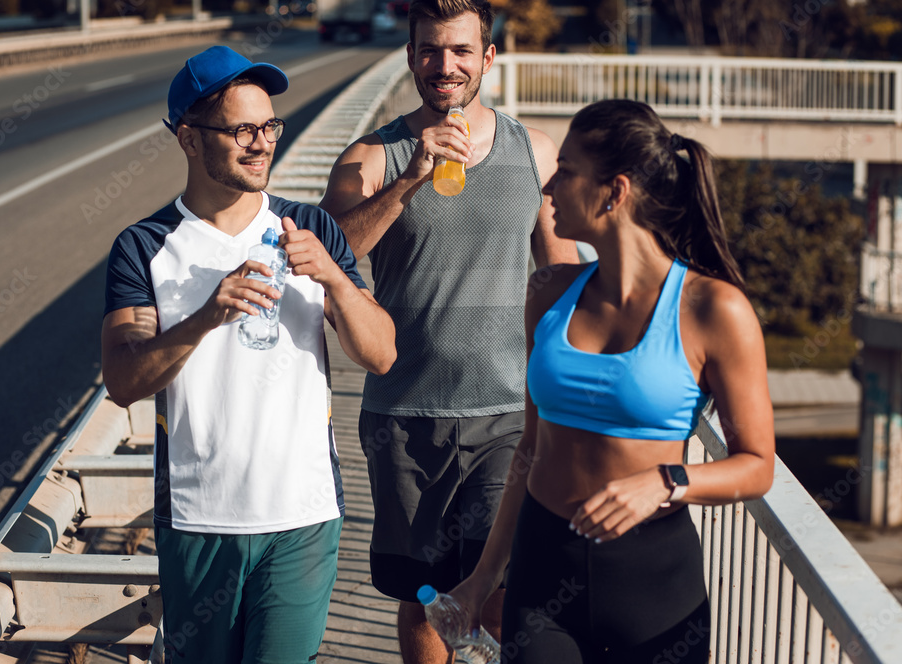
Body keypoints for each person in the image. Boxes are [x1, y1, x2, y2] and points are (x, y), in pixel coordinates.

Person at [449, 99, 776, 663]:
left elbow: (757, 465)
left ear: (615, 191)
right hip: (542, 572)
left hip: (654, 586)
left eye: (567, 171)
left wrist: (667, 481)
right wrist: (483, 577)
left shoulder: (713, 310)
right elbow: (529, 449)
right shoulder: (548, 291)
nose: (547, 188)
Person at [100, 45, 395, 662]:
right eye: (242, 129)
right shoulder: (145, 246)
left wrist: (337, 280)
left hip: (304, 513)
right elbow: (125, 380)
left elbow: (381, 354)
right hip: (199, 518)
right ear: (188, 137)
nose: (262, 143)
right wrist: (205, 316)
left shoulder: (310, 228)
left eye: (269, 126)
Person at [319, 1, 579, 661]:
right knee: (426, 595)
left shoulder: (535, 152)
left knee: (506, 590)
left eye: (461, 50)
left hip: (509, 415)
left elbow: (566, 281)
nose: (446, 65)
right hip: (405, 416)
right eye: (431, 50)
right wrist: (410, 178)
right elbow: (328, 262)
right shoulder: (372, 158)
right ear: (410, 58)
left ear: (488, 58)